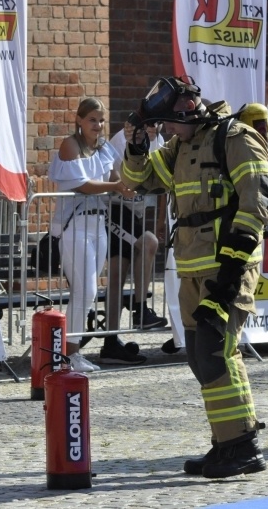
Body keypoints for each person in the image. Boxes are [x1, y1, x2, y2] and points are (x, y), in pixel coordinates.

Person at [121, 76, 268, 479]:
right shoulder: (180, 146)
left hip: (226, 267)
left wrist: (228, 276)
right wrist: (136, 146)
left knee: (215, 351)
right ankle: (226, 442)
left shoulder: (235, 137)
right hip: (190, 268)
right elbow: (138, 180)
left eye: (166, 123)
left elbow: (257, 203)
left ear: (187, 110)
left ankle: (243, 446)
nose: (164, 132)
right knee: (201, 359)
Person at [49, 97, 136, 372]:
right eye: (92, 119)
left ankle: (69, 353)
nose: (97, 125)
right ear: (79, 120)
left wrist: (125, 181)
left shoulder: (104, 148)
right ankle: (68, 355)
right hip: (74, 226)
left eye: (100, 120)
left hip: (99, 224)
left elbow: (116, 174)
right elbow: (83, 185)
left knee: (89, 291)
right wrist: (117, 186)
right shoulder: (70, 145)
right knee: (84, 290)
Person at [102, 123, 168, 362]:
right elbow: (119, 179)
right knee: (148, 242)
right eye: (150, 124)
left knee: (118, 273)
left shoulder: (159, 141)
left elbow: (164, 185)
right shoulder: (124, 138)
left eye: (157, 124)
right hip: (117, 209)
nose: (153, 129)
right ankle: (140, 310)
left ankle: (111, 343)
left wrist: (160, 222)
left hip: (136, 214)